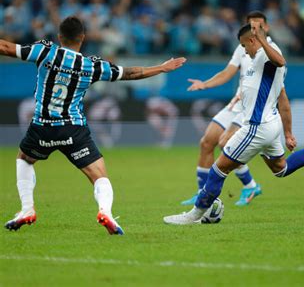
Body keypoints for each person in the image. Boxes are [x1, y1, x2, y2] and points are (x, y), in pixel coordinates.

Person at [0, 16, 186, 234]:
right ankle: (105, 212)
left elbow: (5, 47)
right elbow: (130, 73)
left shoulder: (45, 52)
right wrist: (161, 68)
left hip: (42, 126)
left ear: (59, 36)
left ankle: (27, 209)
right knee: (99, 175)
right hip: (73, 128)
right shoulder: (92, 66)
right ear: (83, 38)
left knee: (24, 158)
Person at [163, 22, 304, 225]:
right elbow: (283, 100)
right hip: (271, 125)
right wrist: (288, 132)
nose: (245, 52)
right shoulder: (258, 63)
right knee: (281, 168)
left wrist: (263, 40)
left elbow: (280, 60)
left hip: (257, 126)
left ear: (253, 40)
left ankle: (195, 215)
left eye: (245, 46)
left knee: (218, 170)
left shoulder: (268, 55)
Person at [181, 11, 271, 207]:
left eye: (259, 26)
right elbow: (227, 72)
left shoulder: (271, 49)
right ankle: (201, 193)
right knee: (206, 142)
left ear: (266, 28)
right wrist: (204, 84)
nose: (255, 30)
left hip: (252, 105)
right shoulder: (243, 47)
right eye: (252, 26)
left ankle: (250, 185)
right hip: (236, 102)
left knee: (226, 143)